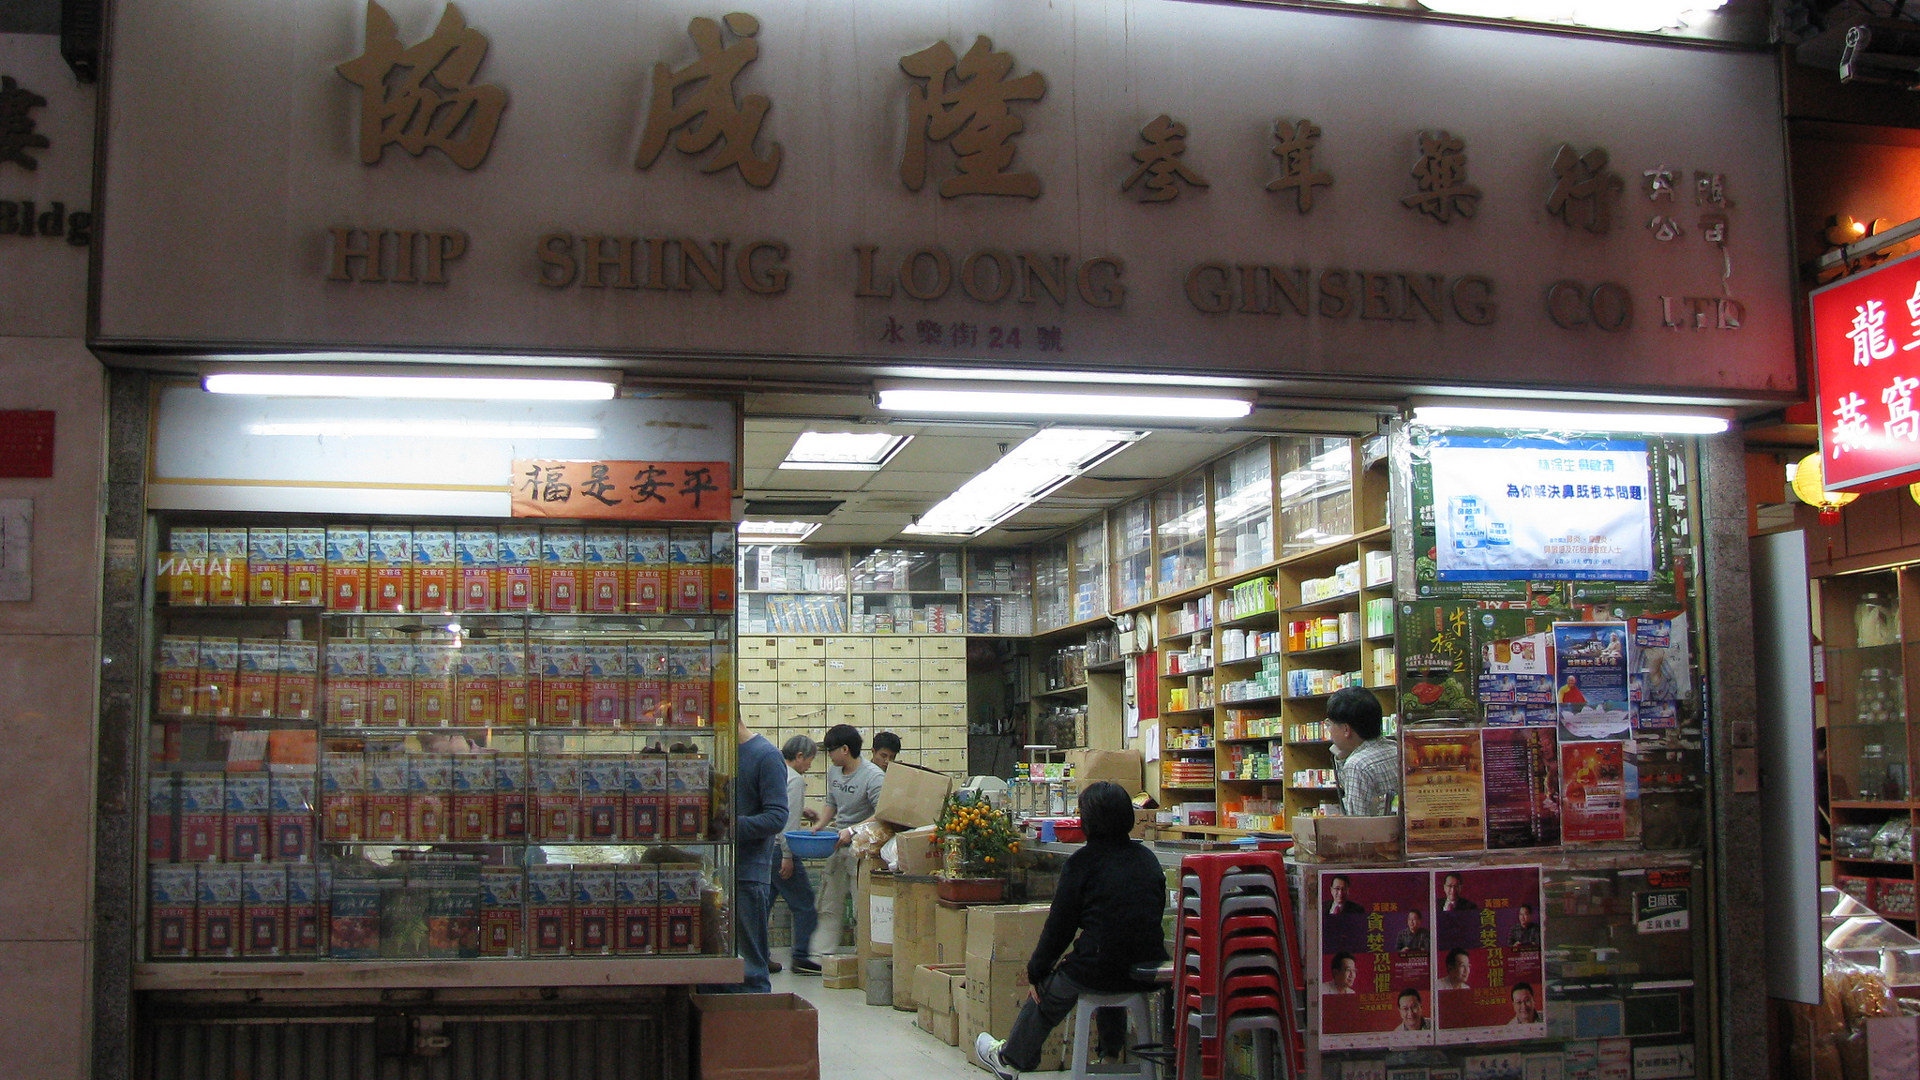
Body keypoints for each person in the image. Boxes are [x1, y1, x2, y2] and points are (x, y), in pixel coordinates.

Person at [975, 782, 1167, 1080]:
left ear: (1087, 822)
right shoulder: (1147, 859)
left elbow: (1059, 928)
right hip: (1148, 967)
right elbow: (1143, 918)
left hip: (1098, 967)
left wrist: (1037, 971)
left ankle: (1010, 1060)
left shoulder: (1082, 863)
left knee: (1051, 992)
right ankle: (1111, 1054)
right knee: (1108, 963)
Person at [807, 724, 886, 959]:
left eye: (831, 750)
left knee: (862, 905)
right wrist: (821, 825)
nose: (828, 756)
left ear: (845, 749)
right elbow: (831, 802)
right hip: (837, 843)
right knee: (828, 902)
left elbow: (882, 813)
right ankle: (821, 955)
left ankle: (865, 955)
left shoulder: (873, 776)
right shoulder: (834, 772)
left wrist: (852, 830)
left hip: (862, 848)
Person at [726, 715, 790, 993]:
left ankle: (755, 1029)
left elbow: (777, 817)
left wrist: (726, 826)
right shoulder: (720, 751)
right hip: (713, 873)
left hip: (747, 876)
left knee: (750, 969)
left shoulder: (766, 756)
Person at [773, 734, 821, 976]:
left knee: (762, 905)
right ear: (799, 756)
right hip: (780, 849)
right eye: (810, 760)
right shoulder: (796, 780)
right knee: (805, 906)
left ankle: (757, 956)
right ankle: (801, 956)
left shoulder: (776, 771)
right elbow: (788, 823)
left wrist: (803, 810)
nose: (810, 766)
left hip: (764, 848)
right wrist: (788, 855)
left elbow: (776, 806)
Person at [1327, 686, 1398, 817]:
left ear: (1346, 729)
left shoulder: (1357, 766)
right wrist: (1343, 758)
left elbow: (1358, 825)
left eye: (1329, 724)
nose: (1329, 730)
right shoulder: (1395, 749)